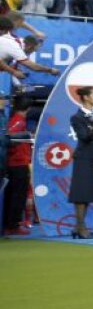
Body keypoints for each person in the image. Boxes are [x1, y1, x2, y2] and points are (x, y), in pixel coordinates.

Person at [68, 87, 93, 239]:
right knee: (81, 194)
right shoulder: (77, 117)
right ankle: (81, 227)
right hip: (83, 159)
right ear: (86, 97)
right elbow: (83, 137)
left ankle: (78, 227)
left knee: (88, 194)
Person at [3, 96, 33, 236]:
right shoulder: (18, 121)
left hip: (16, 162)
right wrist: (28, 136)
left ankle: (11, 224)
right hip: (18, 163)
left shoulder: (15, 120)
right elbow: (9, 138)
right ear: (28, 108)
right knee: (18, 196)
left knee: (15, 195)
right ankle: (13, 225)